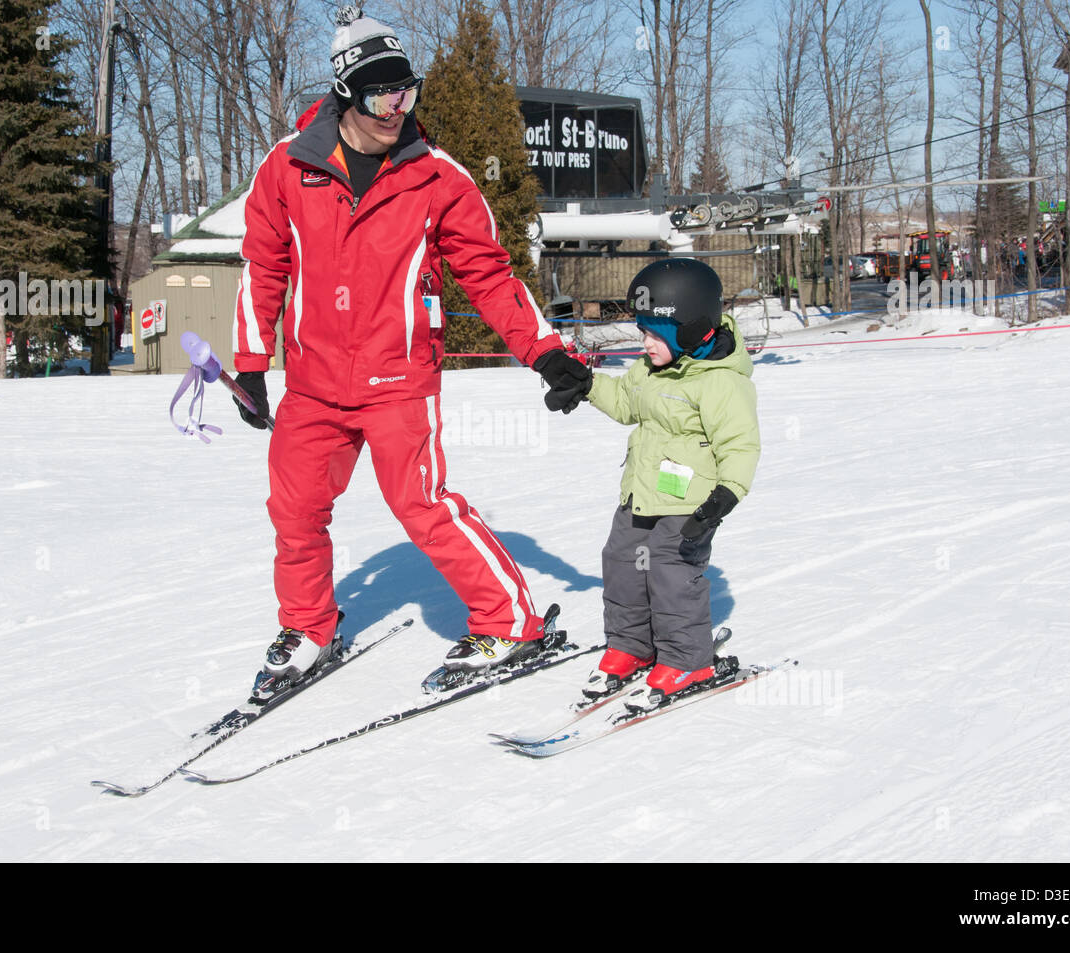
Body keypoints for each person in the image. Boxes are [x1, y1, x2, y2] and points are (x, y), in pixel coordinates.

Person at [230, 7, 592, 698]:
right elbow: (263, 264)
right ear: (345, 96)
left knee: (420, 502)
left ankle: (510, 620)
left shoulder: (437, 177)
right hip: (313, 380)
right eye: (380, 94)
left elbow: (488, 273)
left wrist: (543, 351)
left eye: (407, 91)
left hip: (398, 375)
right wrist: (250, 362)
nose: (397, 108)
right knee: (295, 506)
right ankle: (309, 625)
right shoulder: (287, 168)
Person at [571, 259, 760, 711]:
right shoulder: (651, 369)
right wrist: (584, 383)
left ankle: (687, 659)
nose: (646, 343)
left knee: (671, 573)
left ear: (692, 330)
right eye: (643, 331)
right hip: (641, 493)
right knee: (622, 563)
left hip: (691, 504)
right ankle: (631, 645)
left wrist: (725, 496)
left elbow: (741, 444)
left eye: (657, 334)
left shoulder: (720, 383)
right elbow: (625, 404)